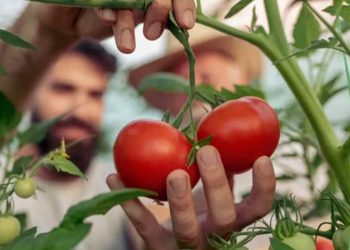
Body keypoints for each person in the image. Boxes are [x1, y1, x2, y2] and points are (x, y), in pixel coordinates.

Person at [0, 2, 276, 250]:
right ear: (32, 92)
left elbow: (153, 225)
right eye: (63, 88)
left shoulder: (120, 181)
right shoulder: (4, 178)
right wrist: (45, 29)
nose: (80, 107)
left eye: (95, 94)